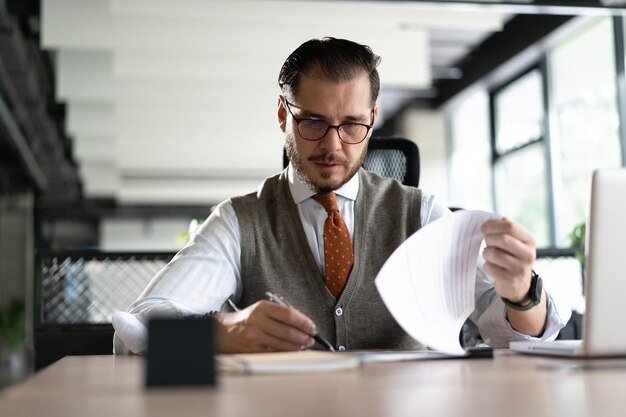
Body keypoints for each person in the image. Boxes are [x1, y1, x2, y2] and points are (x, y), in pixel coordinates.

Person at [112, 37, 570, 354]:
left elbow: (513, 339)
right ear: (282, 115)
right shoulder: (239, 222)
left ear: (373, 118)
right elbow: (137, 325)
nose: (333, 145)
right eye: (312, 122)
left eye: (352, 125)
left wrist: (521, 294)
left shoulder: (421, 214)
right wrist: (222, 331)